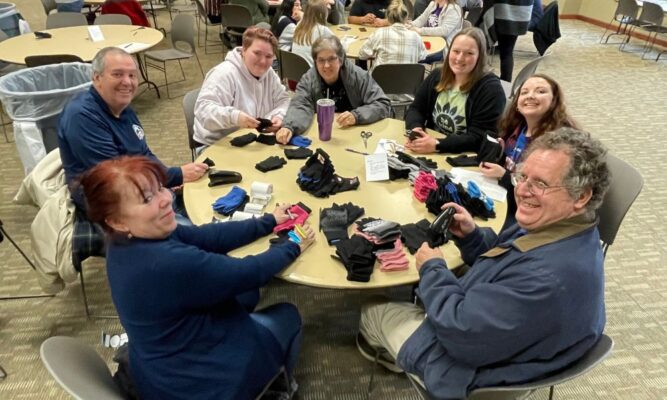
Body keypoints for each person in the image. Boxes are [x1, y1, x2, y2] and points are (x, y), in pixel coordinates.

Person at [358, 128, 610, 399]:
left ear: (581, 196)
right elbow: (508, 260)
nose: (522, 190)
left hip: (467, 370)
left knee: (373, 309)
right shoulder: (568, 230)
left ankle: (398, 360)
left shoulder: (545, 276)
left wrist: (432, 270)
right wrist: (472, 238)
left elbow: (460, 330)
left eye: (541, 184)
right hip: (510, 341)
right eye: (522, 177)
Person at [80, 155, 316, 400]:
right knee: (288, 315)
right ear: (117, 221)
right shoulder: (167, 262)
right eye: (148, 199)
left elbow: (205, 236)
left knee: (246, 295)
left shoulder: (124, 241)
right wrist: (293, 244)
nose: (166, 198)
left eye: (160, 188)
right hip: (199, 385)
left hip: (158, 367)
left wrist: (268, 221)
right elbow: (248, 272)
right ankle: (277, 390)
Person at [58, 47, 207, 211]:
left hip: (138, 189)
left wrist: (165, 177)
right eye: (117, 74)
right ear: (96, 78)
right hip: (109, 206)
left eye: (132, 75)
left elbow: (143, 153)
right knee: (199, 220)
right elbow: (115, 177)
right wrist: (174, 176)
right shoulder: (81, 117)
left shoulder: (122, 107)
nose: (127, 82)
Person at [480, 74, 578, 230]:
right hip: (506, 197)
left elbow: (543, 192)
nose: (530, 96)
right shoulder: (516, 128)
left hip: (530, 213)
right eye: (524, 92)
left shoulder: (558, 145)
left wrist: (504, 176)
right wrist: (498, 154)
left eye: (540, 91)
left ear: (554, 101)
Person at [404, 27, 506, 154]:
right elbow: (416, 109)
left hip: (464, 155)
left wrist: (438, 144)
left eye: (469, 53)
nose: (460, 58)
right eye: (456, 51)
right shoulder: (437, 75)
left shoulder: (491, 90)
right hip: (431, 148)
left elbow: (479, 137)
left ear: (480, 57)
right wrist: (416, 128)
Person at [275, 35, 392, 144]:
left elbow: (382, 104)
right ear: (315, 62)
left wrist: (356, 116)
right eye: (321, 60)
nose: (326, 65)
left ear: (340, 60)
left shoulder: (359, 76)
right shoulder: (308, 80)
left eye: (331, 59)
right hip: (322, 137)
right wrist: (289, 126)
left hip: (355, 136)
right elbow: (300, 105)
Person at [194, 27, 290, 146]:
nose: (263, 61)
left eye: (269, 56)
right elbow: (203, 111)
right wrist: (234, 117)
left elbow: (284, 100)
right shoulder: (224, 73)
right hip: (215, 144)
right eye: (257, 53)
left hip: (250, 140)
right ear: (244, 50)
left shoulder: (269, 74)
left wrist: (278, 116)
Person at [358, 0, 428, 71]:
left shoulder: (380, 33)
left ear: (388, 17)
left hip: (380, 77)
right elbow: (422, 57)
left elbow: (362, 55)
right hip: (408, 77)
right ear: (406, 17)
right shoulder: (416, 37)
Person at [483, 0, 533, 82]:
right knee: (507, 52)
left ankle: (502, 83)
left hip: (504, 13)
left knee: (503, 52)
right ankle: (505, 83)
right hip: (521, 13)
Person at [291, 0, 334, 66]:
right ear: (321, 14)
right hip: (312, 70)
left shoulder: (299, 25)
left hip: (294, 68)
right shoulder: (323, 30)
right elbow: (340, 47)